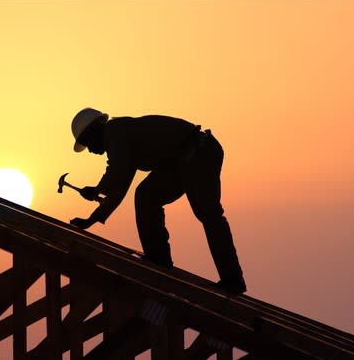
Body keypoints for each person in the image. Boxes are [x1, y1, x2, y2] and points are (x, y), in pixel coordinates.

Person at [69, 108, 246, 294]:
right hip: (180, 161)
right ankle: (159, 258)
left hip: (200, 152)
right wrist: (93, 217)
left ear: (94, 131)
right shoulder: (119, 135)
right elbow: (119, 185)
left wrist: (97, 192)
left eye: (87, 143)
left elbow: (118, 176)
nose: (89, 150)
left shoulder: (116, 133)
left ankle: (233, 279)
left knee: (209, 214)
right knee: (146, 196)